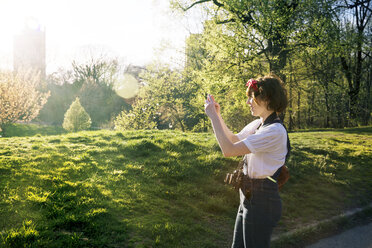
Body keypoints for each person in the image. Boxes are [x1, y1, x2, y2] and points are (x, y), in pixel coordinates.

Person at [204, 74, 289, 248]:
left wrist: (213, 117)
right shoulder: (259, 124)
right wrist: (217, 116)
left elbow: (229, 150)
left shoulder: (275, 131)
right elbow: (234, 139)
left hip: (262, 199)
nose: (248, 102)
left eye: (252, 97)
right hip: (249, 195)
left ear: (266, 99)